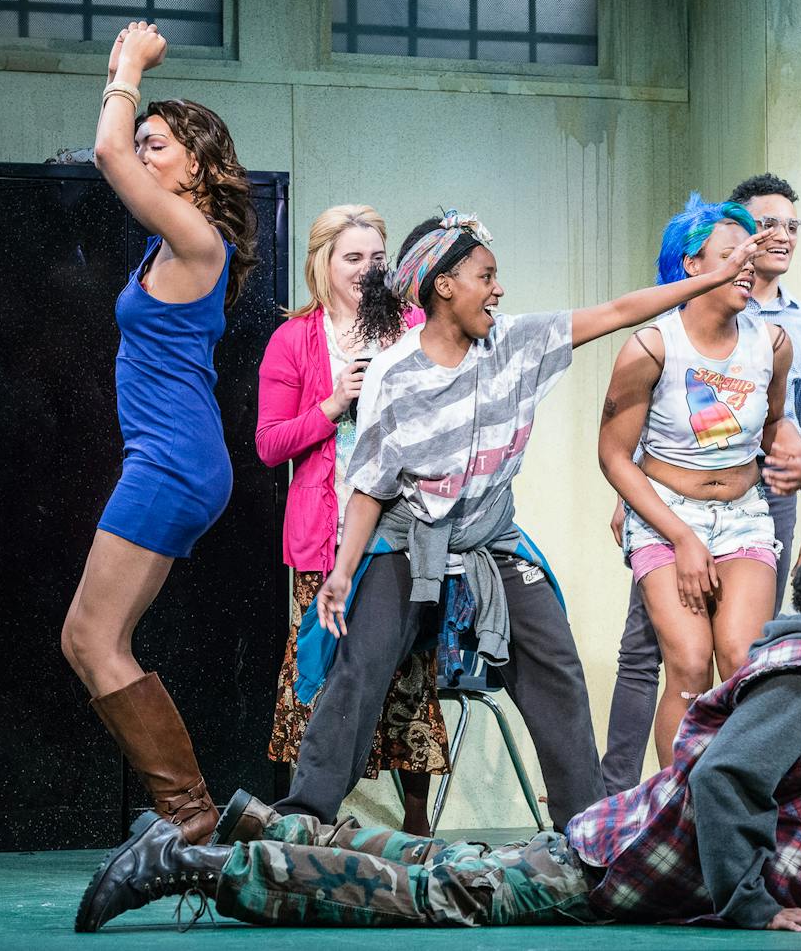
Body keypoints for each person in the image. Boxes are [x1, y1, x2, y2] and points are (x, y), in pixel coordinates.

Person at [75, 530, 801, 934]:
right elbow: (727, 779)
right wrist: (757, 903)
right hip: (607, 866)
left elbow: (786, 800)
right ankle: (189, 863)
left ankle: (257, 823)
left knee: (448, 863)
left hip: (606, 847)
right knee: (433, 895)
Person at [269, 209, 772, 835]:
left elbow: (619, 311)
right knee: (360, 663)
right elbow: (371, 484)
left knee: (555, 663)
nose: (499, 289)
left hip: (488, 539)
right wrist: (344, 572)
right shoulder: (395, 374)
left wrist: (709, 278)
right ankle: (303, 816)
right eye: (487, 276)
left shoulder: (517, 341)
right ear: (445, 286)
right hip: (407, 540)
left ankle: (585, 828)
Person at [59, 21, 258, 844]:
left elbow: (105, 153)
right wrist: (120, 70)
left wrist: (130, 69)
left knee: (91, 637)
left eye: (160, 146)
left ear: (202, 166)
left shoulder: (196, 236)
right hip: (172, 457)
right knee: (93, 640)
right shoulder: (165, 243)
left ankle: (190, 821)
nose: (142, 155)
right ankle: (191, 818)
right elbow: (115, 154)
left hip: (173, 459)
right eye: (144, 144)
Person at [602, 172, 801, 793]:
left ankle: (734, 806)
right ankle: (674, 819)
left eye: (749, 252)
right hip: (667, 514)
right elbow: (614, 455)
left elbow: (779, 433)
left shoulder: (774, 343)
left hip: (744, 514)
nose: (747, 263)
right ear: (692, 264)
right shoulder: (651, 347)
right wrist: (679, 536)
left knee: (741, 662)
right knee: (685, 665)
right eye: (731, 253)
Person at [254, 204, 447, 836]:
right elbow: (270, 443)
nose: (366, 270)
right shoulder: (294, 339)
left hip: (403, 530)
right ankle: (307, 817)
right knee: (321, 668)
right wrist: (334, 403)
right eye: (352, 257)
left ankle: (417, 824)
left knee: (407, 676)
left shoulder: (414, 325)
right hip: (325, 534)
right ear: (322, 264)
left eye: (375, 258)